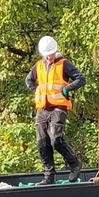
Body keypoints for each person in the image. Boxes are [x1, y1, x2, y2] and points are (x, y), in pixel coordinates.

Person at [25, 35, 86, 185]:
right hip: (42, 108)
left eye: (52, 53)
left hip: (58, 107)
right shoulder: (38, 66)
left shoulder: (64, 64)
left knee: (56, 139)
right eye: (47, 54)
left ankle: (74, 164)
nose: (50, 56)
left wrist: (67, 89)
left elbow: (81, 79)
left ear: (55, 51)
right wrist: (37, 92)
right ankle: (48, 177)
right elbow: (29, 80)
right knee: (42, 142)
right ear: (42, 54)